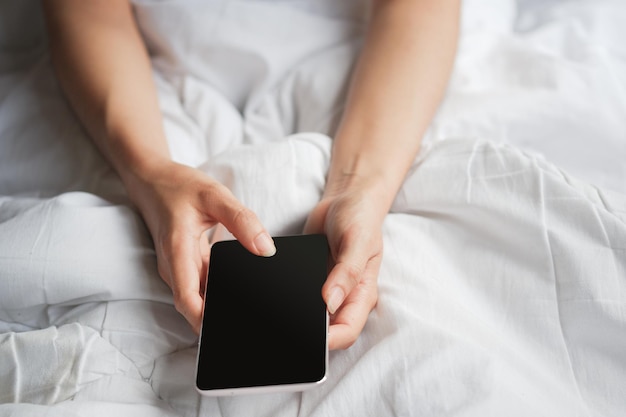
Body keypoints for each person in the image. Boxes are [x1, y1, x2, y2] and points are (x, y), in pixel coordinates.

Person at [42, 0, 460, 350]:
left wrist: (360, 186)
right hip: (141, 62)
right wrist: (151, 173)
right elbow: (89, 11)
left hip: (367, 57)